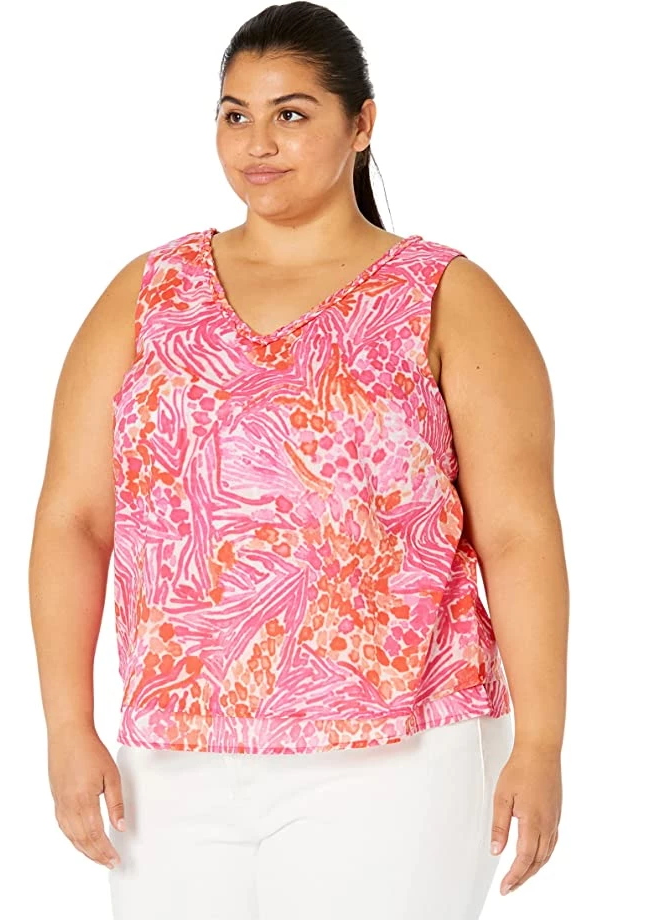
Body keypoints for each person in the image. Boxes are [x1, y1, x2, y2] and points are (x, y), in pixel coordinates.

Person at [28, 3, 567, 918]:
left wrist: (542, 744)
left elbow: (518, 533)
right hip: (174, 758)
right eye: (234, 114)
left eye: (291, 113)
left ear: (362, 123)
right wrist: (67, 726)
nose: (257, 143)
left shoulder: (445, 295)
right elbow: (74, 520)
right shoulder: (149, 293)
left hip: (399, 752)